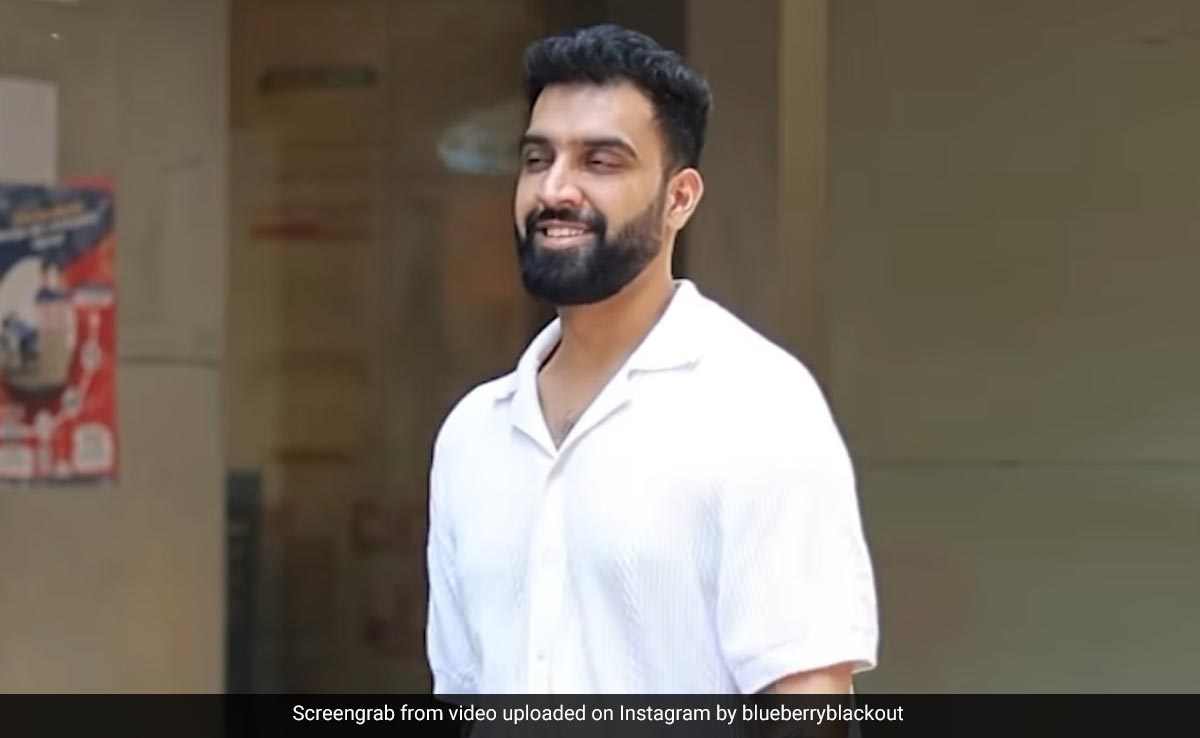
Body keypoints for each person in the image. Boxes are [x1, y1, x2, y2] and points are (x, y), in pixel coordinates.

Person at [426, 24, 878, 694]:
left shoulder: (758, 404)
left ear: (679, 198)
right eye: (537, 159)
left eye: (600, 162)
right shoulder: (473, 434)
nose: (555, 190)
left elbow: (808, 695)